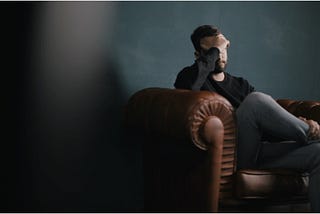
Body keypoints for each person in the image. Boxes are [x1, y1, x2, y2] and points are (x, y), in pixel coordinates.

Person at [174, 25, 320, 212]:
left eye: (223, 48)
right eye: (213, 49)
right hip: (232, 157)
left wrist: (293, 123)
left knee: (317, 152)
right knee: (256, 100)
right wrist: (215, 49)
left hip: (259, 153)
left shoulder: (241, 85)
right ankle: (311, 132)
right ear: (198, 55)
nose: (220, 54)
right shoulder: (190, 77)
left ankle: (310, 134)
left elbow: (266, 123)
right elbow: (187, 92)